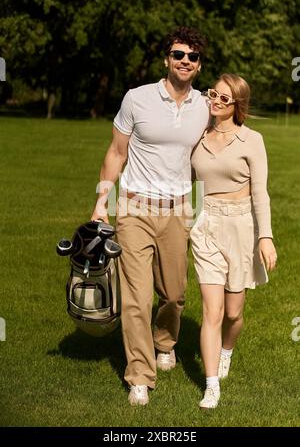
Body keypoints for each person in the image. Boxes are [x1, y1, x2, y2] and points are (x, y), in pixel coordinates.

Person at [91, 26, 209, 405]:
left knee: (174, 295)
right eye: (178, 54)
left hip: (177, 210)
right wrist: (101, 203)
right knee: (136, 298)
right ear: (166, 60)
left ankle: (165, 342)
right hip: (134, 208)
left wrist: (207, 207)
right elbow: (116, 153)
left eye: (191, 56)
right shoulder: (137, 99)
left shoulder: (205, 106)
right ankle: (140, 374)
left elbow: (210, 158)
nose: (184, 61)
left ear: (199, 65)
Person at [190, 73, 277, 409]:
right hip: (206, 225)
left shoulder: (251, 140)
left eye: (225, 98)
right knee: (211, 311)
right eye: (214, 94)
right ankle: (211, 385)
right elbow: (186, 183)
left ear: (237, 104)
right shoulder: (197, 138)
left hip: (242, 227)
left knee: (233, 312)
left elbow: (260, 193)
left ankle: (227, 350)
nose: (216, 101)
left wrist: (265, 237)